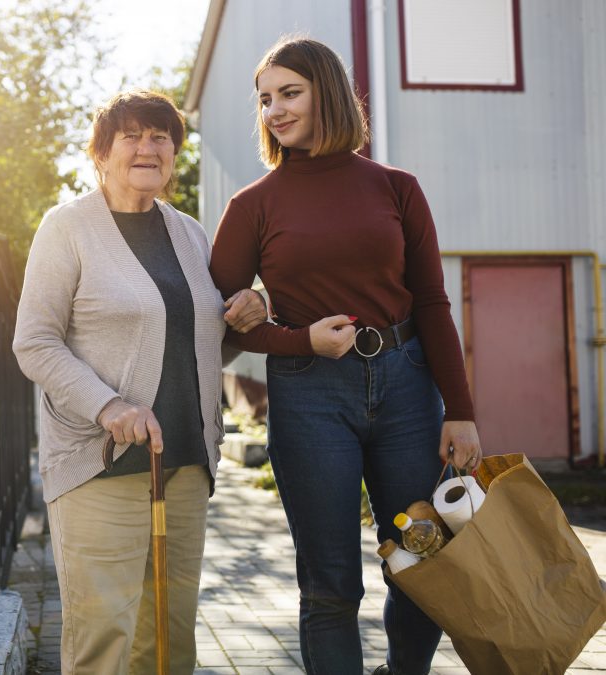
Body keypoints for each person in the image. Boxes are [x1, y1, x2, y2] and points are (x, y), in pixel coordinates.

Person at [209, 37, 483, 675]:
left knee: (420, 567)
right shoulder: (251, 206)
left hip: (410, 387)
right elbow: (217, 322)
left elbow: (434, 304)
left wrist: (460, 410)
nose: (274, 109)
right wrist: (296, 339)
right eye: (265, 99)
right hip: (309, 394)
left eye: (289, 93)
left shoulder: (397, 188)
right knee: (331, 584)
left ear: (326, 91)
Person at [13, 90, 266, 674]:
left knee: (170, 641)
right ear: (101, 153)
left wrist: (251, 310)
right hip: (100, 465)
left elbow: (198, 344)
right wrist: (107, 406)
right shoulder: (66, 228)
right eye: (130, 136)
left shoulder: (190, 234)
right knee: (105, 636)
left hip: (183, 466)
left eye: (161, 137)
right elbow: (34, 342)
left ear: (175, 155)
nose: (148, 148)